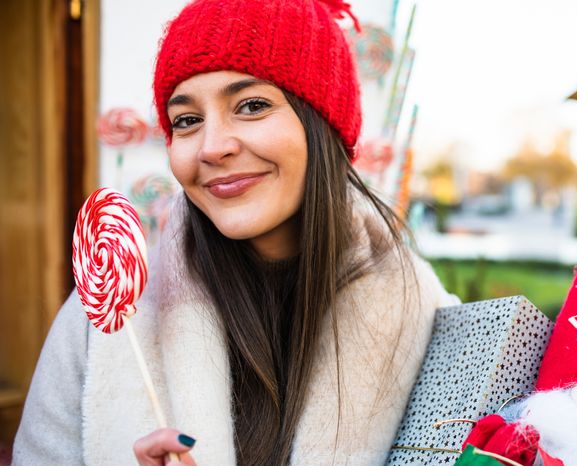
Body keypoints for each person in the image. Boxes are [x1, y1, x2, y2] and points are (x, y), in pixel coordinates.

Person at [12, 0, 457, 464]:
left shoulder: (432, 324)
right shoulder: (106, 324)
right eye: (186, 120)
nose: (212, 147)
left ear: (323, 126)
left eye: (252, 105)